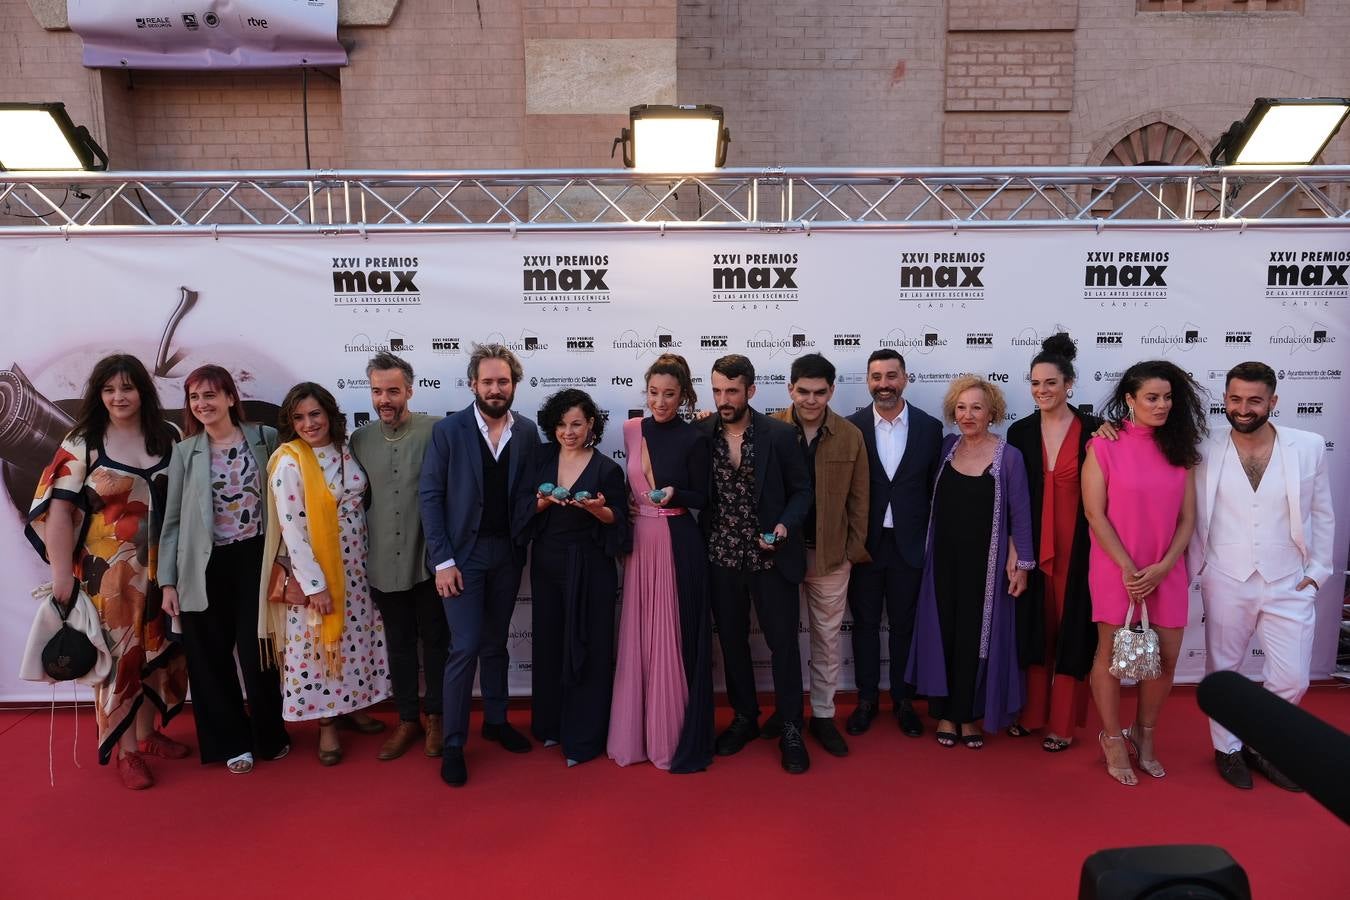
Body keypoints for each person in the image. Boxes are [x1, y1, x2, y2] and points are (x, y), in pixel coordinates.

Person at [26, 353, 189, 789]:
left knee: (161, 652)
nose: (119, 396)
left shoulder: (168, 435)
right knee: (121, 659)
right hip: (108, 577)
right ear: (99, 395)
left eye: (128, 387)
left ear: (143, 391)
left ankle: (149, 733)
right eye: (109, 389)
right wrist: (62, 576)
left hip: (165, 570)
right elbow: (57, 513)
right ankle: (126, 751)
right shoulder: (83, 441)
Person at [1192, 362, 1334, 791]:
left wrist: (1318, 572)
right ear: (1225, 398)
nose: (1243, 408)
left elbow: (1322, 512)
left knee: (1292, 678)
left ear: (1273, 401)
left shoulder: (1307, 446)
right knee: (1224, 671)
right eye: (1235, 399)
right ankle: (1228, 748)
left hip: (1289, 578)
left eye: (1254, 400)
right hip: (1225, 575)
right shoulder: (1203, 445)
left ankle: (1261, 743)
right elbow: (1143, 439)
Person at [419, 344, 541, 787]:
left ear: (514, 384)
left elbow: (528, 494)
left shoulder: (526, 432)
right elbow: (430, 497)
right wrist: (443, 560)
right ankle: (453, 743)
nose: (495, 389)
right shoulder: (448, 431)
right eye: (487, 381)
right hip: (461, 557)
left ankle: (495, 719)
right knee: (465, 646)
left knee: (495, 644)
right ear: (473, 384)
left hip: (507, 555)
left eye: (503, 381)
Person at [159, 364, 289, 775]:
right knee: (209, 658)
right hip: (203, 565)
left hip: (255, 558)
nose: (203, 404)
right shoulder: (185, 451)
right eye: (195, 398)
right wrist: (167, 581)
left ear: (231, 397)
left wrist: (285, 560)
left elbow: (285, 505)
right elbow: (173, 521)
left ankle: (270, 735)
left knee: (260, 654)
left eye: (211, 395)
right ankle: (231, 742)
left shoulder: (265, 440)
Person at [1082, 360, 1203, 786]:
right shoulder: (1104, 446)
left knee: (1166, 658)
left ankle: (1144, 735)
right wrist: (1132, 570)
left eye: (1168, 397)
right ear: (1130, 400)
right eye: (1152, 397)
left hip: (1165, 569)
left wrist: (1165, 566)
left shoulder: (1181, 449)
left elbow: (1188, 519)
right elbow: (1094, 515)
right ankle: (1112, 737)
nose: (1162, 405)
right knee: (1111, 658)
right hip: (1116, 568)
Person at [259, 382, 391, 766]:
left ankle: (354, 705)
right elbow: (293, 530)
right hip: (316, 568)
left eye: (315, 414)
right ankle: (327, 723)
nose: (308, 423)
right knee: (318, 645)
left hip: (357, 564)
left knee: (354, 638)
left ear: (330, 414)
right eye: (298, 417)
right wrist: (315, 585)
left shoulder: (346, 452)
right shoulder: (289, 462)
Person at [698, 354, 813, 774]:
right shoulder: (702, 432)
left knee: (783, 645)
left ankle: (790, 729)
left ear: (751, 390)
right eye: (717, 390)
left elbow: (802, 492)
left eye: (732, 390)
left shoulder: (780, 436)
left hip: (770, 558)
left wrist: (784, 526)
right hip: (721, 556)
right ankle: (745, 717)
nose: (724, 398)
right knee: (730, 643)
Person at [908, 376, 1034, 749]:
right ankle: (946, 713)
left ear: (991, 412)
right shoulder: (947, 448)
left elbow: (1021, 516)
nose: (968, 414)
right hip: (942, 563)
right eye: (961, 407)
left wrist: (1021, 563)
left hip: (988, 566)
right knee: (943, 632)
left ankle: (968, 715)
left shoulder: (1008, 457)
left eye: (976, 407)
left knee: (974, 638)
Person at [608, 353, 714, 773]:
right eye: (654, 393)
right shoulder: (631, 429)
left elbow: (703, 497)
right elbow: (626, 487)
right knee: (639, 634)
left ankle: (670, 735)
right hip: (641, 543)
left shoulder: (695, 438)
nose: (660, 402)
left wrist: (674, 494)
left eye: (670, 394)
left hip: (676, 540)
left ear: (684, 394)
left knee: (669, 636)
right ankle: (636, 735)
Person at [349, 352, 448, 762]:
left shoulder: (437, 431)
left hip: (428, 562)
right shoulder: (359, 440)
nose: (384, 398)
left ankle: (437, 717)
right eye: (377, 391)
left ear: (409, 389)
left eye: (393, 390)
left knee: (438, 643)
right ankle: (407, 719)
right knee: (400, 645)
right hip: (381, 564)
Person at [771, 352, 869, 757]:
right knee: (781, 642)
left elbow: (860, 501)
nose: (811, 400)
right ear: (790, 388)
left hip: (830, 558)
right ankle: (787, 713)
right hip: (778, 558)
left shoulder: (849, 435)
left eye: (820, 392)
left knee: (827, 643)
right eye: (803, 391)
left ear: (832, 391)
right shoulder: (769, 428)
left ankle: (824, 716)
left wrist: (848, 552)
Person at [1005, 334, 1100, 752]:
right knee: (1034, 628)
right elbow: (1009, 497)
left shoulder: (1096, 431)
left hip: (1081, 549)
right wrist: (1015, 552)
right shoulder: (1020, 431)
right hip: (1031, 547)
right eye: (1035, 383)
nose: (1042, 391)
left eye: (1051, 383)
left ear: (1070, 384)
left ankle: (1061, 723)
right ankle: (1032, 714)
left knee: (1072, 629)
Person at [845, 349, 943, 738]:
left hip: (910, 544)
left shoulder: (930, 429)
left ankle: (903, 700)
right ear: (867, 381)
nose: (883, 384)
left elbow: (935, 490)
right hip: (866, 545)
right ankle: (867, 699)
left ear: (905, 378)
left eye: (891, 376)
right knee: (865, 625)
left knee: (905, 626)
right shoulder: (850, 427)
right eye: (876, 377)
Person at [529, 389, 629, 766]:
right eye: (561, 424)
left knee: (587, 647)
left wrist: (598, 510)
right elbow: (521, 509)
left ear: (591, 425)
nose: (568, 432)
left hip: (590, 567)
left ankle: (584, 739)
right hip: (546, 564)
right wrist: (541, 502)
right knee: (551, 644)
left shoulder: (606, 468)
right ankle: (551, 725)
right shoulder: (540, 458)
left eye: (576, 424)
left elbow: (619, 521)